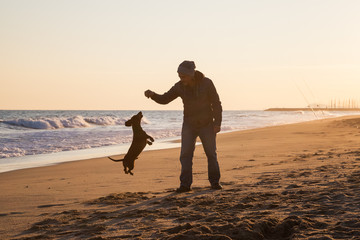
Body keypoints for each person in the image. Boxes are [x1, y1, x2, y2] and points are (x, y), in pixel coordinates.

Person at [144, 60, 223, 192]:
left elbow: (216, 103)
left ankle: (215, 183)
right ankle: (185, 185)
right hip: (189, 125)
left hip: (207, 124)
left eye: (183, 76)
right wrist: (153, 95)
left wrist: (217, 123)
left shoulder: (207, 83)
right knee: (185, 155)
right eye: (179, 75)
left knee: (211, 154)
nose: (181, 78)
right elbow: (165, 99)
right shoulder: (179, 86)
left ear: (191, 74)